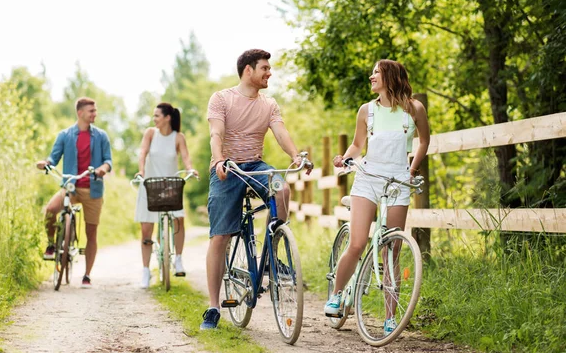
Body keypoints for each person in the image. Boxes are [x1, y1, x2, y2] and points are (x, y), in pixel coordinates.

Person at [201, 49, 309, 330]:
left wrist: (295, 156)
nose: (269, 72)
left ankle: (273, 253)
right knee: (221, 235)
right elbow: (216, 133)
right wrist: (219, 159)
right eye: (264, 68)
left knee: (282, 189)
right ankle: (213, 306)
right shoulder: (222, 98)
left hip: (256, 165)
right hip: (228, 168)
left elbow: (281, 132)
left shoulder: (269, 104)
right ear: (248, 70)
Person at [323, 59, 430, 335]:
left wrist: (412, 167)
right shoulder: (366, 111)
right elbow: (358, 145)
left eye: (376, 72)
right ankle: (336, 294)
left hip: (398, 180)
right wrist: (345, 159)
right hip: (368, 178)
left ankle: (390, 318)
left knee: (391, 249)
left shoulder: (414, 109)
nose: (371, 76)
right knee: (358, 243)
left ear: (390, 77)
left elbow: (424, 141)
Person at [36, 97, 112, 288]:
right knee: (51, 209)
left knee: (91, 231)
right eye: (91, 111)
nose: (95, 114)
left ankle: (87, 275)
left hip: (93, 189)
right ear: (80, 113)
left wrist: (103, 169)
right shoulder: (65, 135)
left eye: (95, 110)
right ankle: (52, 244)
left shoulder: (101, 136)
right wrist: (46, 164)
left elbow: (108, 161)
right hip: (70, 186)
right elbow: (53, 158)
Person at [134, 102, 197, 289]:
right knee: (146, 229)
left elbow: (185, 157)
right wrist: (141, 172)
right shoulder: (150, 133)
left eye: (157, 116)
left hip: (170, 187)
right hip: (150, 186)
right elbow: (143, 152)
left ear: (167, 117)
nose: (154, 119)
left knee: (178, 221)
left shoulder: (178, 137)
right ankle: (145, 271)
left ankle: (178, 258)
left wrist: (190, 169)